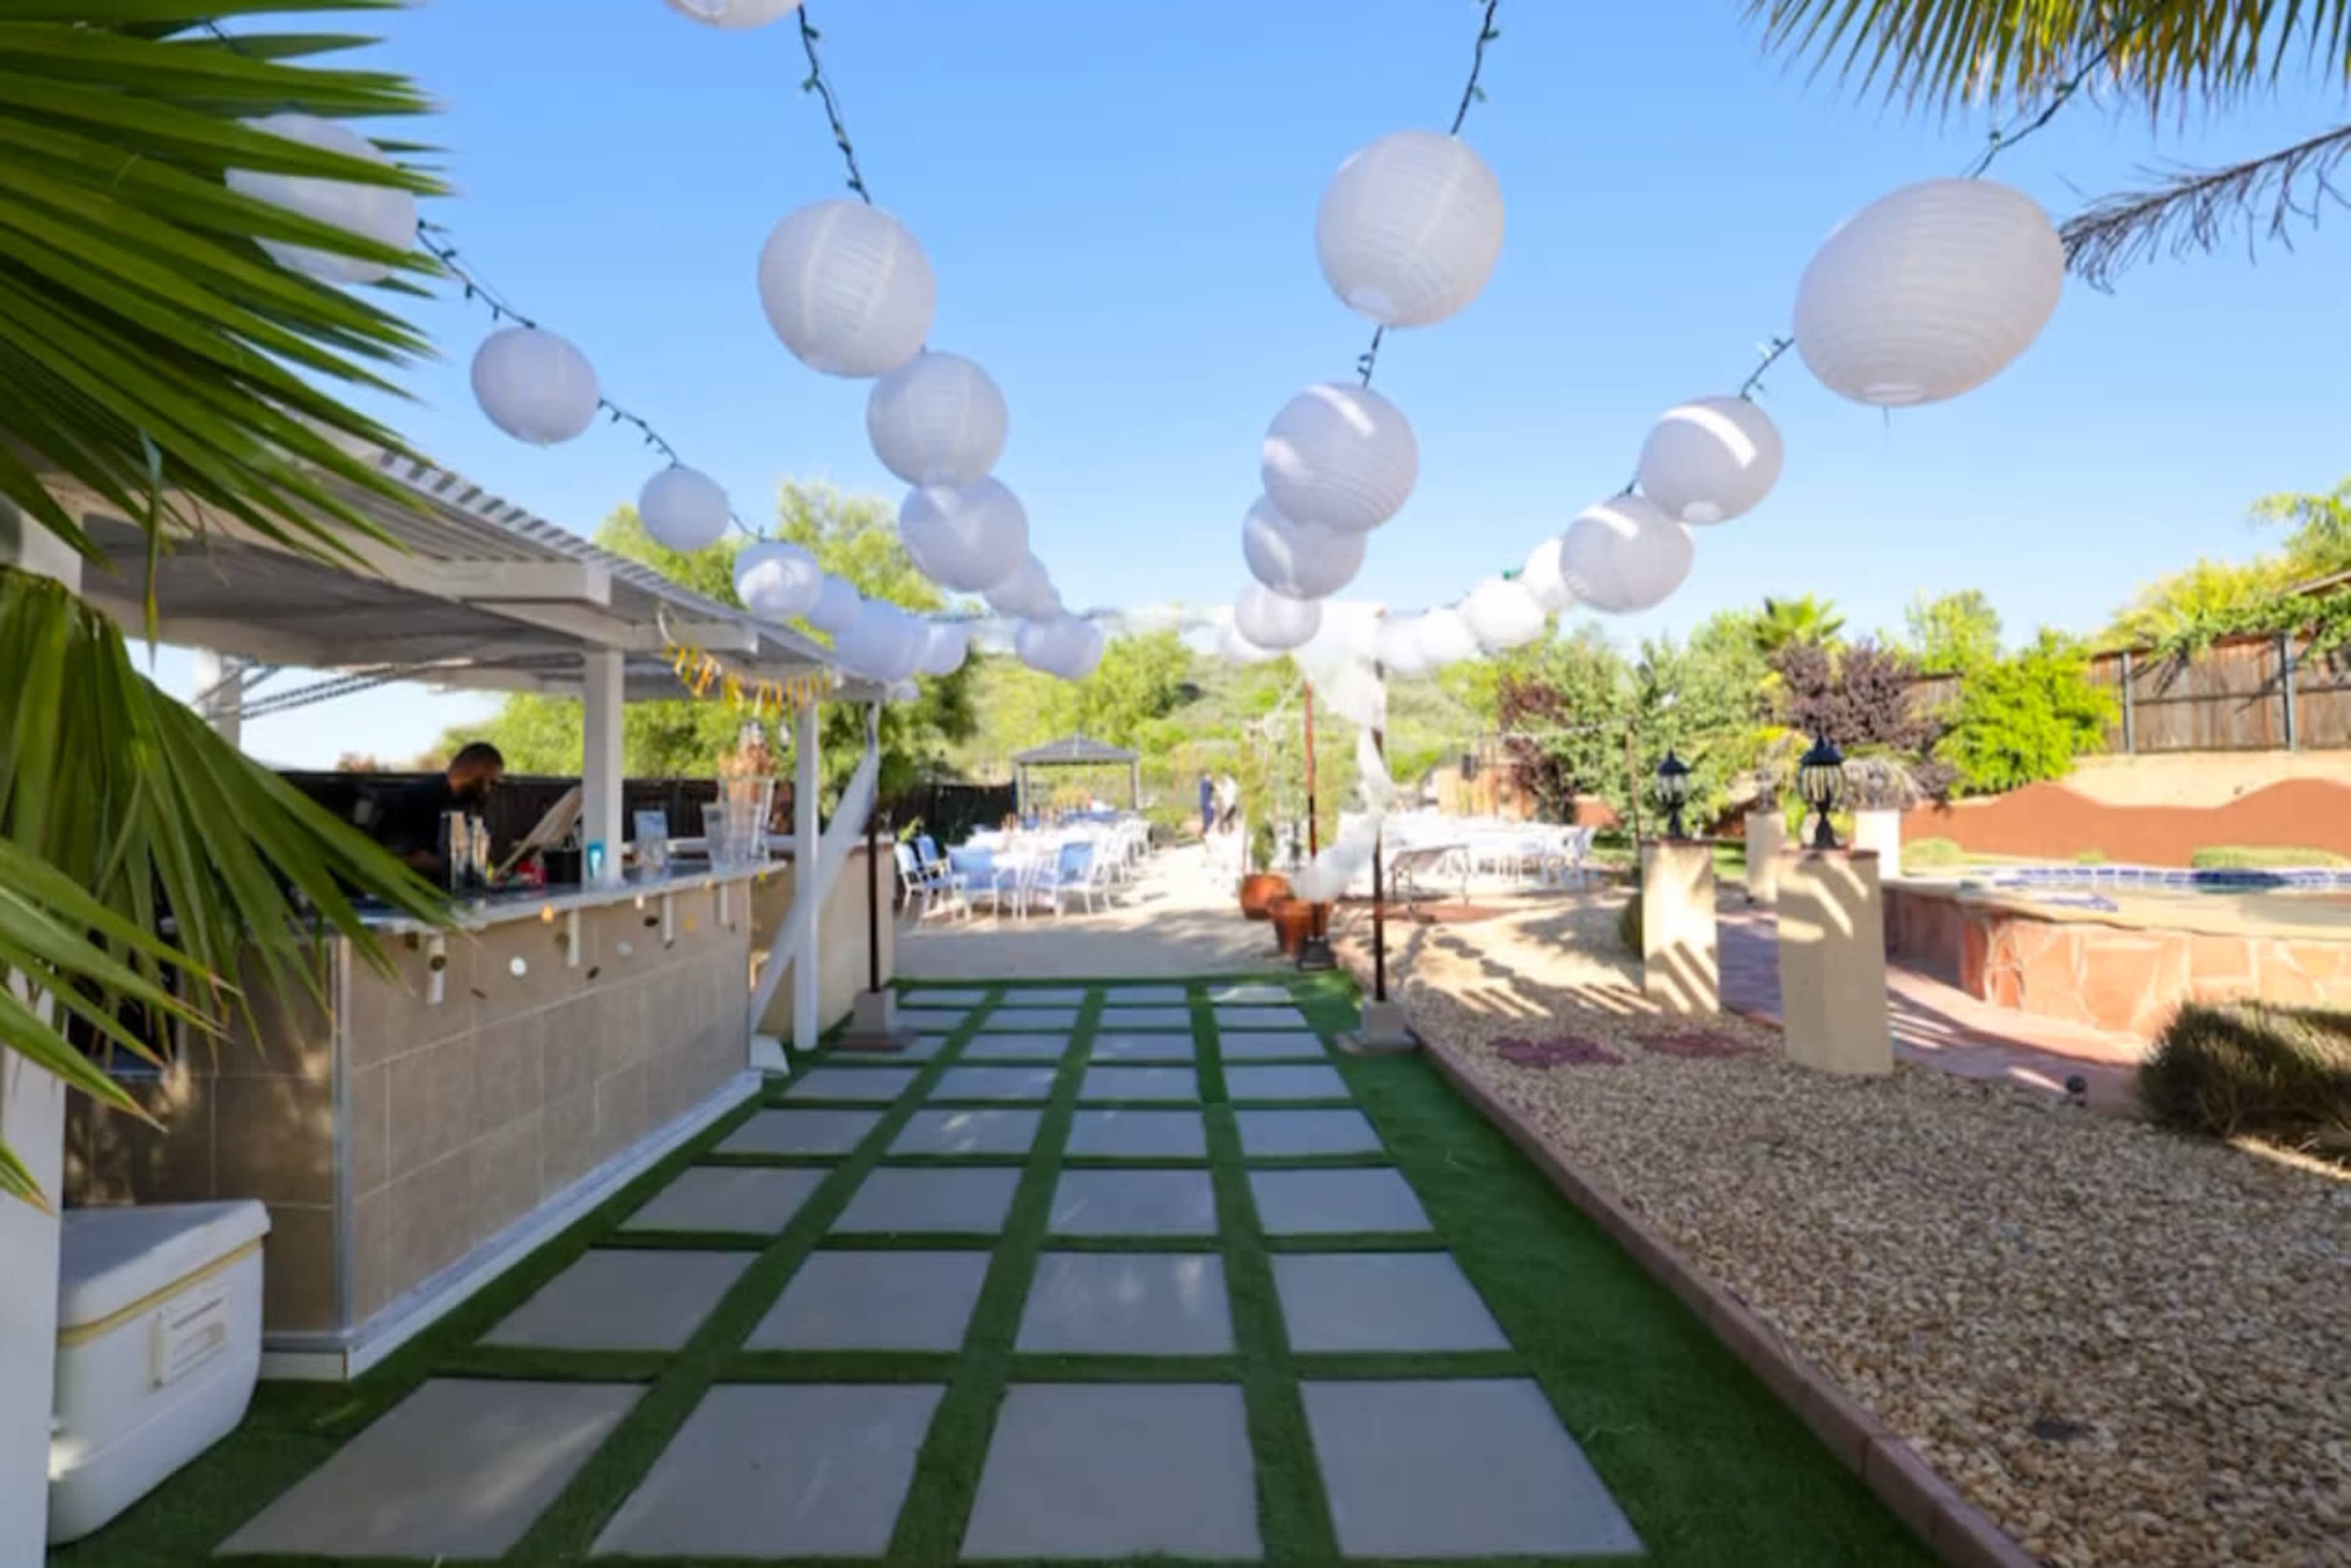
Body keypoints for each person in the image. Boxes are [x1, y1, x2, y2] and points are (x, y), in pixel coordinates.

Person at [375, 742, 506, 881]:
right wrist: (458, 866)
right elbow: (403, 857)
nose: (489, 790)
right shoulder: (416, 797)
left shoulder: (465, 804)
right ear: (476, 769)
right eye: (491, 782)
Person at [1198, 771, 1215, 839]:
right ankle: (1206, 831)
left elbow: (1212, 789)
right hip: (1205, 802)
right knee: (1207, 817)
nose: (1210, 778)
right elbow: (1210, 788)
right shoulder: (1204, 782)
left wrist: (1211, 782)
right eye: (1209, 776)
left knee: (1210, 815)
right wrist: (1209, 781)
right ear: (1206, 776)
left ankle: (1205, 830)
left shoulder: (1208, 783)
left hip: (1208, 802)